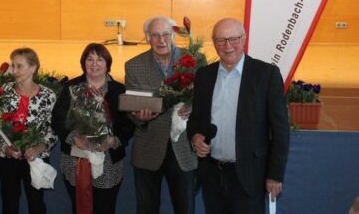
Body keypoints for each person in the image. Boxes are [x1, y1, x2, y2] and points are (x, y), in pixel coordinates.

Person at [187, 18, 289, 214]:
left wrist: (275, 175)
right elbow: (195, 120)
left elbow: (280, 130)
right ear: (214, 43)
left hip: (249, 177)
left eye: (233, 39)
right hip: (212, 176)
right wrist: (195, 137)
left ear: (244, 39)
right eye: (221, 40)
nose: (227, 46)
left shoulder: (266, 75)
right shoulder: (204, 75)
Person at [124, 16, 198, 214]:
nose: (161, 40)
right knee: (147, 209)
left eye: (165, 34)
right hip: (148, 148)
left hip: (184, 148)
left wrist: (193, 108)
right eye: (155, 35)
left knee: (186, 209)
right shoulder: (133, 66)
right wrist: (140, 117)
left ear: (173, 35)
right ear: (147, 38)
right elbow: (132, 107)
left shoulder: (193, 60)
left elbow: (206, 100)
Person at [51, 43, 133, 214]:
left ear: (107, 64)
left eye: (100, 59)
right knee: (80, 207)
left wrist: (114, 140)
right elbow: (57, 120)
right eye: (90, 59)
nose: (94, 64)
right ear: (83, 62)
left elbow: (128, 124)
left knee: (106, 208)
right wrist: (75, 138)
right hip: (76, 161)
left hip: (109, 161)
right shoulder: (71, 87)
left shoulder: (119, 90)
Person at [0, 47, 57, 214]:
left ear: (33, 67)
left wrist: (40, 148)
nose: (14, 71)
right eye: (12, 65)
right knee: (9, 203)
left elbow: (53, 130)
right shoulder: (3, 92)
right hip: (8, 159)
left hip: (36, 159)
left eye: (19, 66)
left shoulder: (48, 96)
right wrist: (6, 148)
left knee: (36, 204)